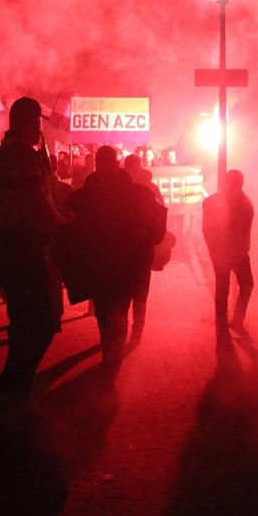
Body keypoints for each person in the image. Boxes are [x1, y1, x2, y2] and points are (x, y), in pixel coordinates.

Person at [0, 97, 73, 420]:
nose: (40, 129)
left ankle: (12, 392)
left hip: (8, 247)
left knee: (24, 322)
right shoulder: (21, 153)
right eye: (38, 122)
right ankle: (12, 393)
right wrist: (62, 219)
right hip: (20, 248)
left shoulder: (4, 153)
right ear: (28, 121)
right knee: (42, 324)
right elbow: (35, 202)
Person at [58, 146, 166, 386]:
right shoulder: (138, 194)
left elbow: (65, 235)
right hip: (126, 268)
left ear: (97, 164)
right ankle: (111, 364)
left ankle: (111, 363)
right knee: (116, 316)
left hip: (99, 268)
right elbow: (158, 227)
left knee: (108, 316)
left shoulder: (82, 196)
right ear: (117, 164)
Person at [202, 169, 255, 337]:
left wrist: (213, 249)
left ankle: (223, 323)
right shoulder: (245, 202)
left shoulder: (211, 201)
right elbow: (246, 230)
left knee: (223, 286)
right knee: (245, 284)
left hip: (226, 251)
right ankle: (234, 322)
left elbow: (207, 229)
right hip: (236, 251)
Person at [124, 153, 164, 342]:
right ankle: (136, 330)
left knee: (128, 289)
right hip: (140, 247)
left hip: (127, 247)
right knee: (139, 290)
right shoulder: (149, 189)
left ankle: (127, 329)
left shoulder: (121, 187)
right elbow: (161, 213)